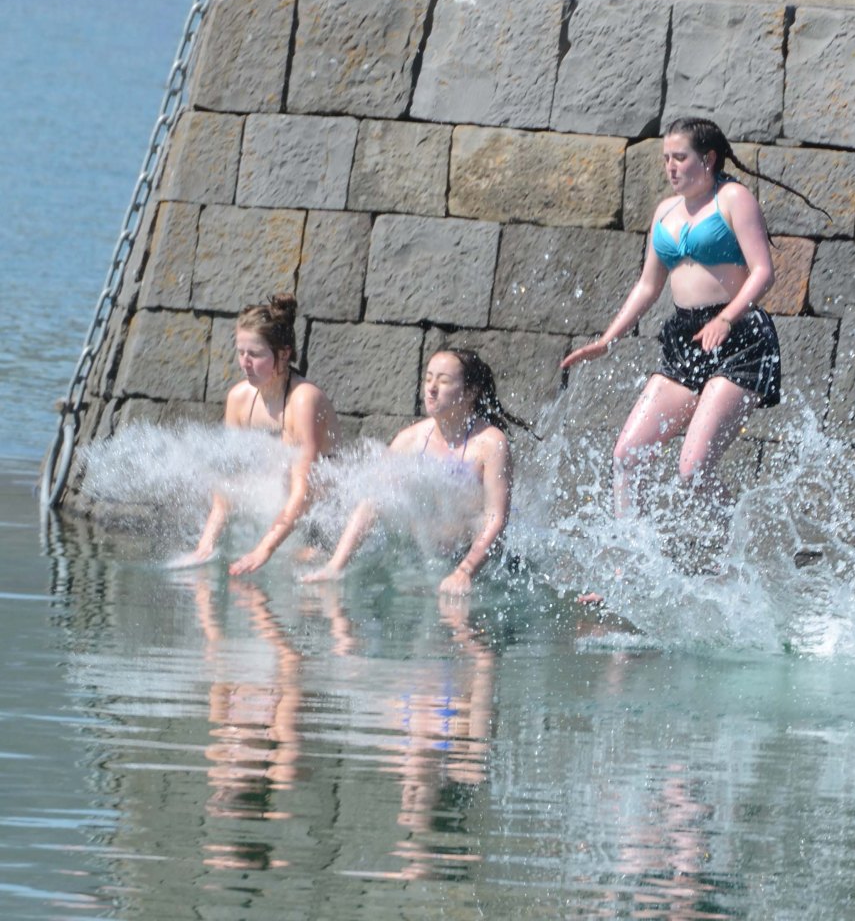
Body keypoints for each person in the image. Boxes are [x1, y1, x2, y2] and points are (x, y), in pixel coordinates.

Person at [561, 117, 811, 600]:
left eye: (680, 158)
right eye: (666, 159)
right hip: (685, 339)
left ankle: (732, 568)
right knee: (626, 456)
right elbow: (648, 285)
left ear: (708, 159)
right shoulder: (665, 212)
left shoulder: (733, 199)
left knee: (692, 468)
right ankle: (625, 576)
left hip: (738, 338)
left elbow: (763, 272)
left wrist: (728, 317)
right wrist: (608, 338)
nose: (671, 167)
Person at [303, 348, 528, 595]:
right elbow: (372, 503)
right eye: (428, 378)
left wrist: (464, 572)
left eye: (443, 381)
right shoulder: (409, 440)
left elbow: (495, 518)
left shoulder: (490, 444)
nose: (431, 388)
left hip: (476, 561)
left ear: (470, 392)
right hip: (422, 557)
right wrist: (336, 565)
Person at [182, 292, 340, 575]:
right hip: (275, 517)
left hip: (320, 524)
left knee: (297, 566)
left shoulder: (304, 400)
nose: (245, 362)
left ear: (284, 354)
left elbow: (305, 492)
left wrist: (263, 550)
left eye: (255, 354)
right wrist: (205, 546)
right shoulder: (239, 400)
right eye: (240, 352)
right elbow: (228, 482)